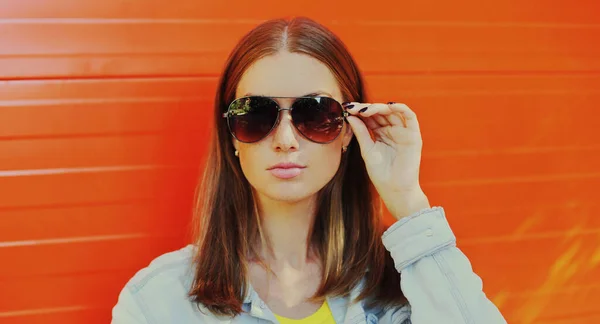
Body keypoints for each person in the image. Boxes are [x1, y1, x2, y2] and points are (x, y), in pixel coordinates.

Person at [111, 16, 507, 323]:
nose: (285, 139)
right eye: (256, 114)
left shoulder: (406, 286)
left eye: (315, 113)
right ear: (231, 135)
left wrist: (407, 201)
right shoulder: (157, 302)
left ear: (349, 130)